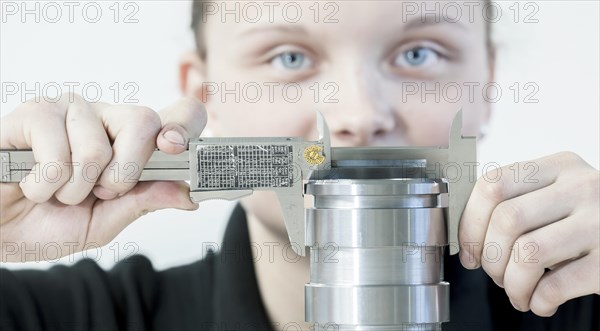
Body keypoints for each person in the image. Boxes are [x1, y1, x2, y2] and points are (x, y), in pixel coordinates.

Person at [1, 1, 598, 330]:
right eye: (289, 57)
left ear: (487, 83)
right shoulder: (61, 318)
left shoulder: (581, 307)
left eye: (420, 52)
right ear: (206, 92)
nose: (361, 116)